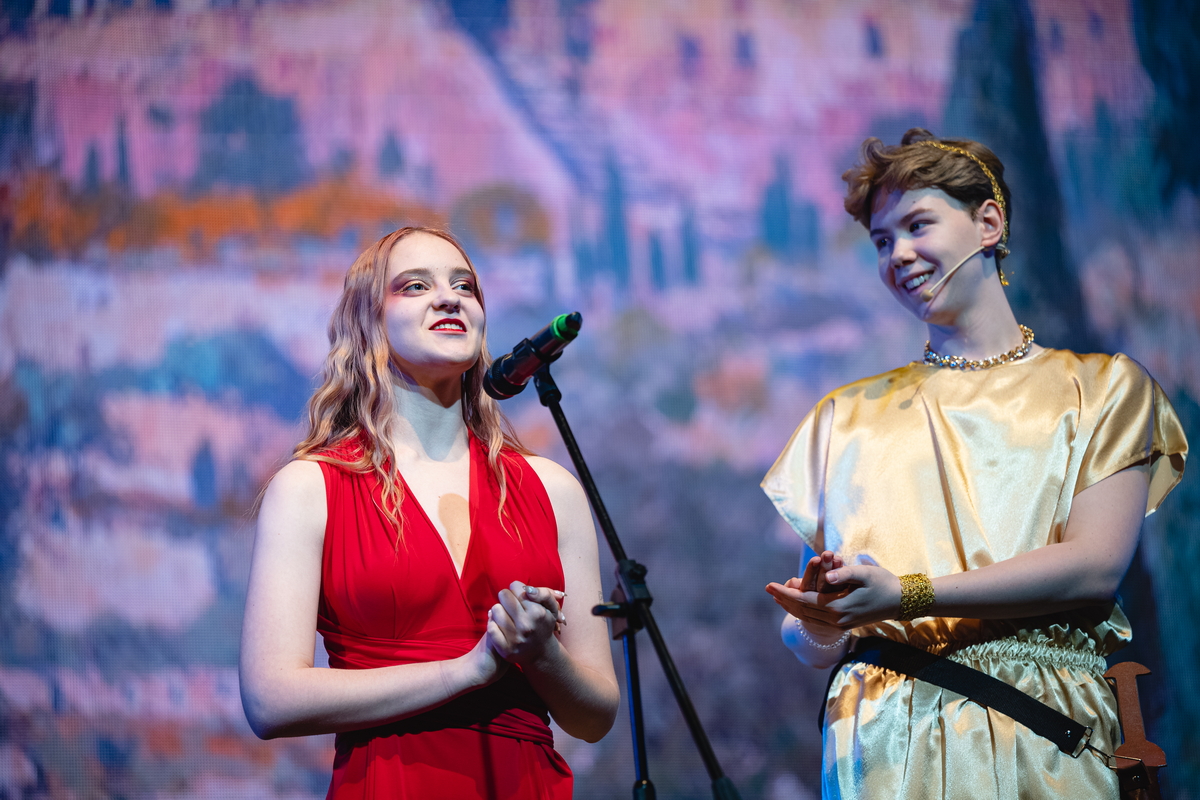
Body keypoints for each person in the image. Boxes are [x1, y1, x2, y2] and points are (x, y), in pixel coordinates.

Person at [762, 129, 1187, 799]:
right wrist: (818, 621)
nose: (898, 254)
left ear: (988, 223)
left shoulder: (1103, 389)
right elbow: (816, 639)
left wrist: (908, 595)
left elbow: (1094, 567)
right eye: (881, 241)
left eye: (917, 225)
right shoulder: (843, 417)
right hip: (881, 748)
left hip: (1044, 737)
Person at [239, 227, 620, 799]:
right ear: (369, 323)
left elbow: (595, 717)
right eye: (415, 286)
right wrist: (466, 670)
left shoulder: (552, 489)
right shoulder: (311, 488)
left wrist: (543, 655)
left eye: (464, 287)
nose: (449, 298)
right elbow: (270, 701)